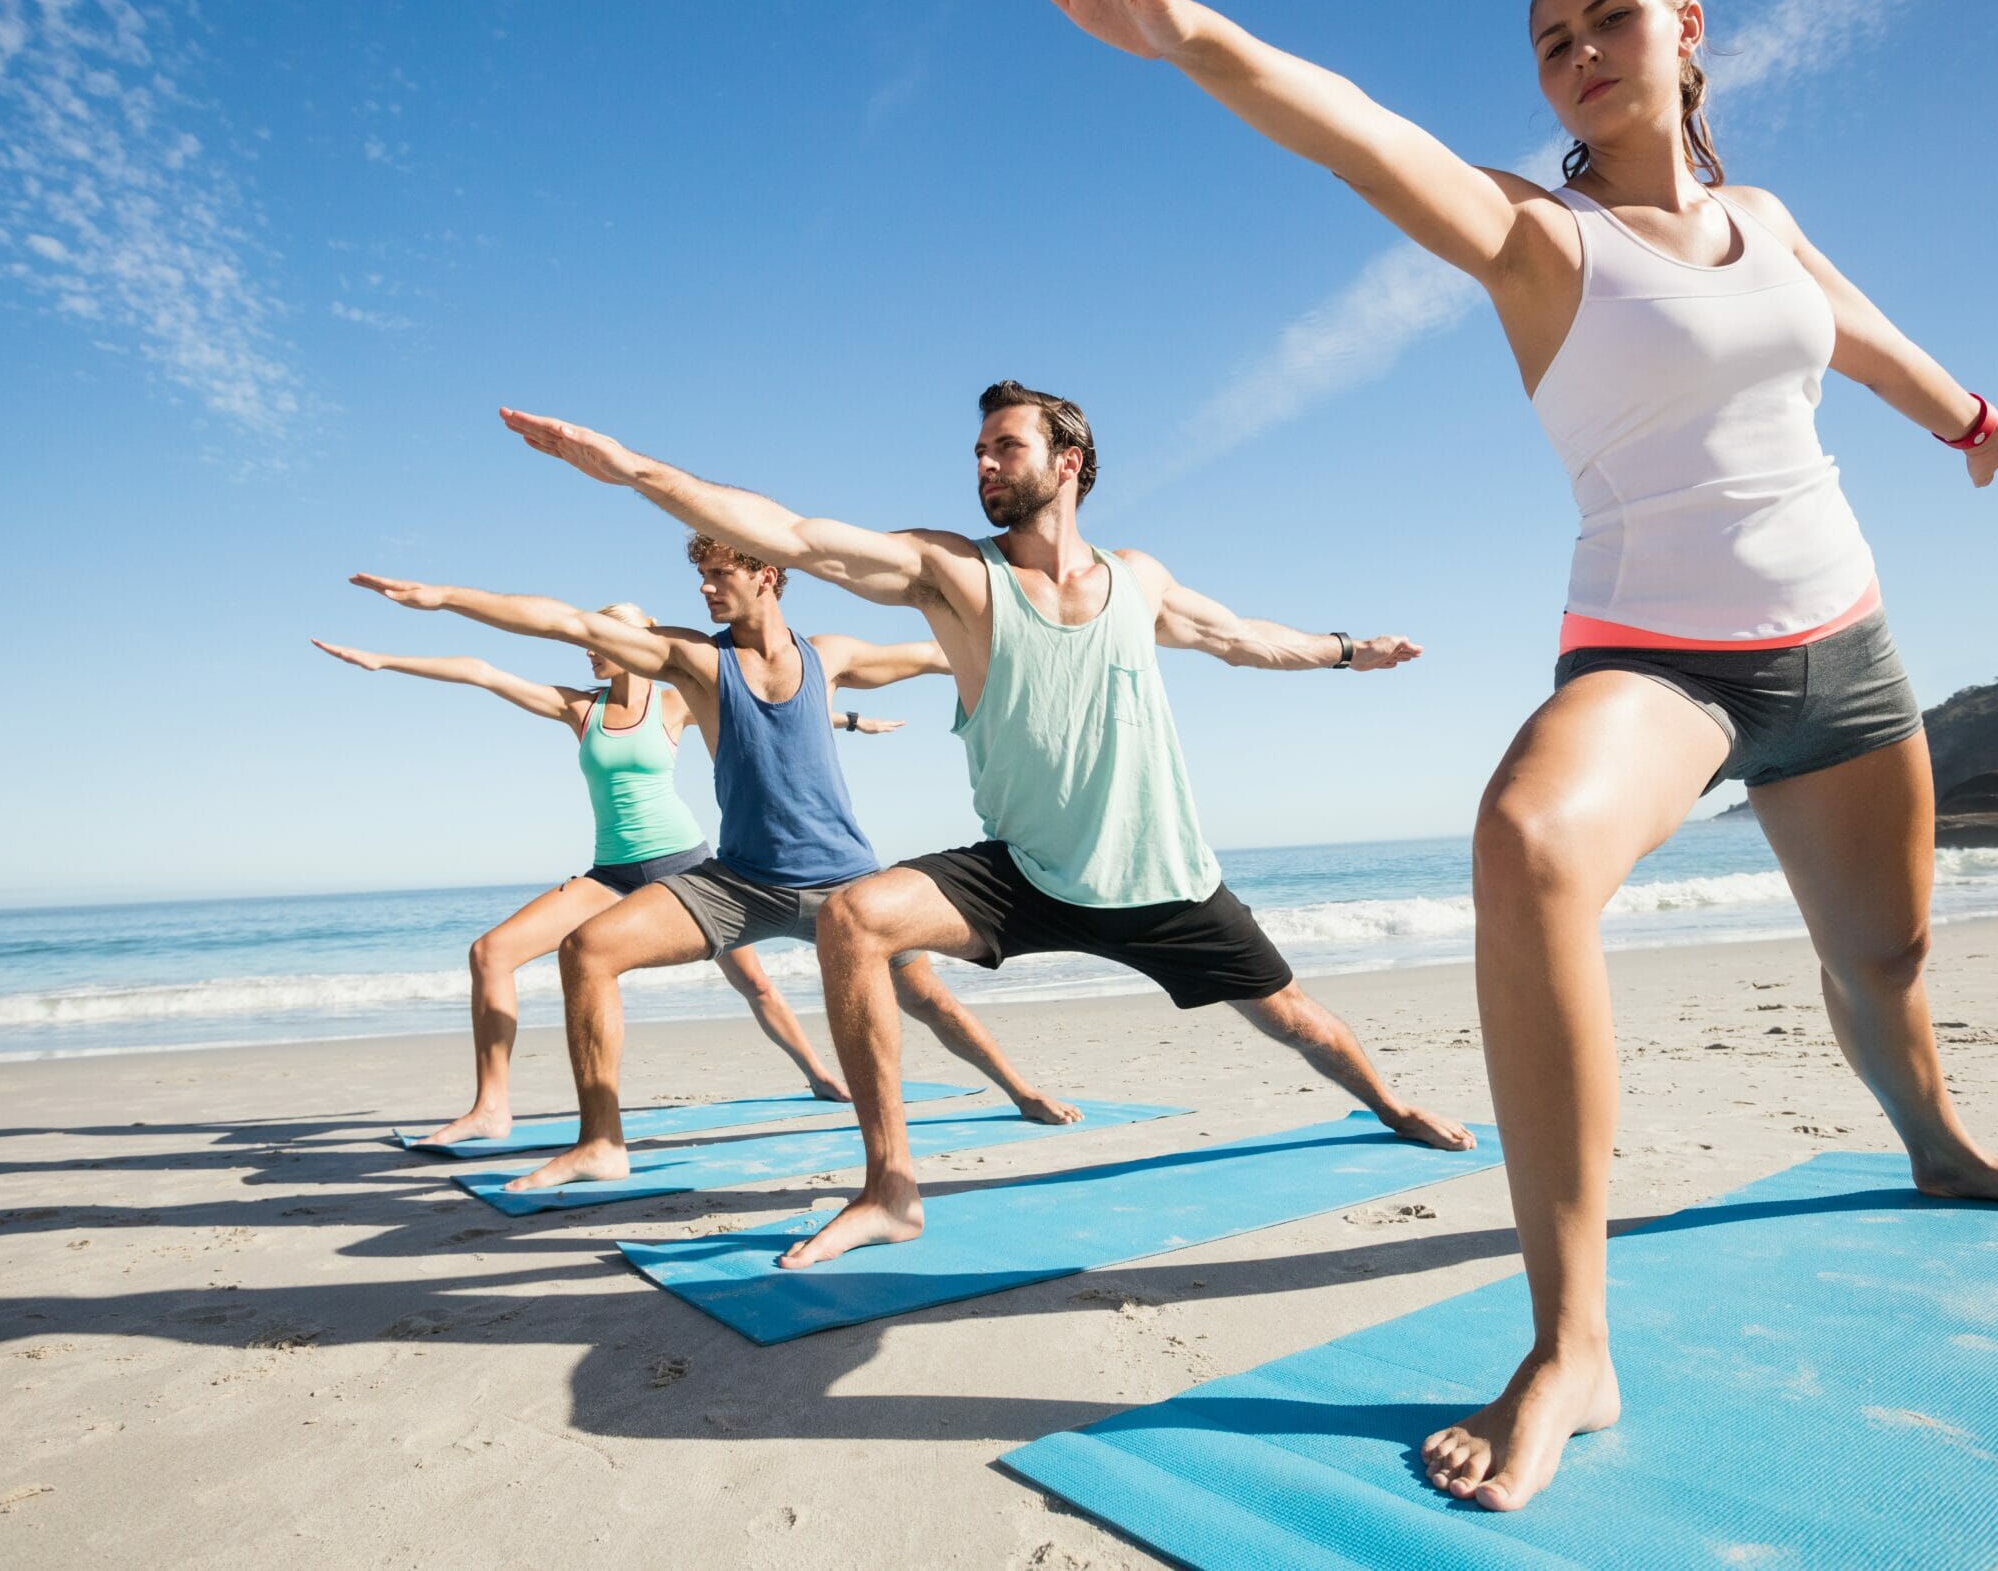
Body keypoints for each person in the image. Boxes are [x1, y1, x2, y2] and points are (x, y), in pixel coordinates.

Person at [986, 0, 1998, 1512]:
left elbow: (1854, 333)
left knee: (1886, 961)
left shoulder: (1777, 221)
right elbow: (1364, 137)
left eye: (1608, 18)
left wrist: (1970, 417)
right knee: (1528, 841)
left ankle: (1939, 1144)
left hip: (1846, 645)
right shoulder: (1543, 237)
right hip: (1662, 665)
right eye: (1550, 41)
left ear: (1688, 33)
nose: (1581, 52)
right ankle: (1572, 1341)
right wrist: (1183, 37)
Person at [495, 388, 1475, 1263]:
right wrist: (631, 469)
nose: (983, 466)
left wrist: (1349, 650)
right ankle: (890, 1189)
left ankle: (1389, 1103)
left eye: (1004, 447)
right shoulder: (957, 575)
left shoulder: (1138, 579)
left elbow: (1244, 638)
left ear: (1069, 462)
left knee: (1296, 1021)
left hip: (1163, 880)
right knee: (856, 920)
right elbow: (793, 536)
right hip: (1025, 873)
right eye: (977, 452)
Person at [352, 531, 1079, 1195]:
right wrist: (445, 597)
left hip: (848, 887)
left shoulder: (833, 655)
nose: (704, 587)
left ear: (767, 574)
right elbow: (568, 621)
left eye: (718, 573)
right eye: (700, 574)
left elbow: (945, 652)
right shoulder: (698, 661)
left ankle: (1019, 1088)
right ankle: (601, 1141)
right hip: (743, 883)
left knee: (930, 1000)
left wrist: (1050, 646)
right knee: (588, 948)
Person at [311, 618, 878, 1145]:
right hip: (610, 873)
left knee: (754, 985)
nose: (590, 648)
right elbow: (482, 672)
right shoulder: (579, 709)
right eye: (589, 639)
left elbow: (769, 710)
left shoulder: (675, 701)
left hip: (688, 867)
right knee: (490, 953)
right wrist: (384, 661)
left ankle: (820, 1075)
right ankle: (491, 1107)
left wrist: (851, 720)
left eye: (603, 637)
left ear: (638, 639)